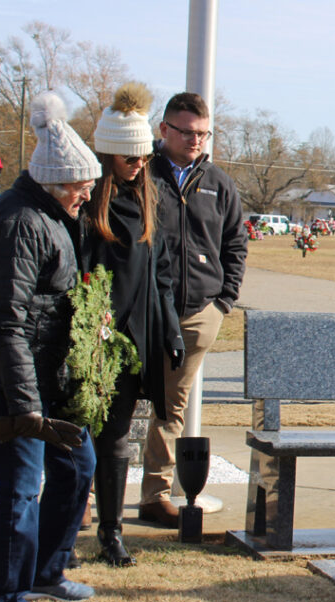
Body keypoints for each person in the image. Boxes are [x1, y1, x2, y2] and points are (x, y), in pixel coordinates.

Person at [0, 92, 100, 602]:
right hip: (16, 381)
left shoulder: (49, 213)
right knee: (20, 489)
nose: (86, 195)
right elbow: (3, 321)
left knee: (78, 465)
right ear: (55, 183)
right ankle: (4, 601)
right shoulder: (22, 223)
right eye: (80, 186)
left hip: (50, 375)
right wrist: (25, 407)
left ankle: (47, 569)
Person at [84, 83, 184, 564]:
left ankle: (111, 532)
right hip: (89, 339)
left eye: (143, 158)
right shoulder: (87, 203)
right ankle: (64, 527)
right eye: (130, 159)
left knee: (117, 439)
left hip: (134, 338)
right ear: (109, 155)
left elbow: (162, 273)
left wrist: (170, 330)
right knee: (80, 437)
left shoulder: (153, 198)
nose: (139, 166)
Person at [139, 92, 248, 528]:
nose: (196, 141)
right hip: (142, 310)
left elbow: (236, 243)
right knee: (117, 402)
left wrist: (222, 302)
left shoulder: (218, 183)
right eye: (187, 132)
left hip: (197, 313)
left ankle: (155, 494)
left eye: (203, 134)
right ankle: (90, 496)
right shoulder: (140, 175)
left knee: (170, 406)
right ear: (163, 130)